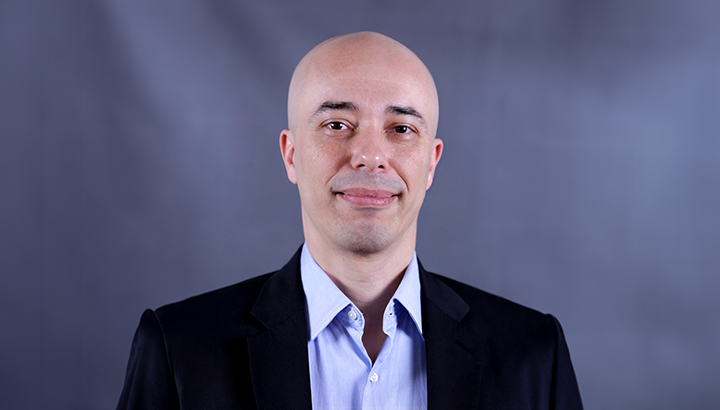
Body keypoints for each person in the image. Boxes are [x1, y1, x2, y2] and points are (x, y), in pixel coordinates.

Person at [116, 31, 583, 410]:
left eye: (401, 129)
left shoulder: (534, 355)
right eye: (337, 125)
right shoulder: (180, 348)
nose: (370, 156)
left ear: (431, 163)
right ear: (291, 155)